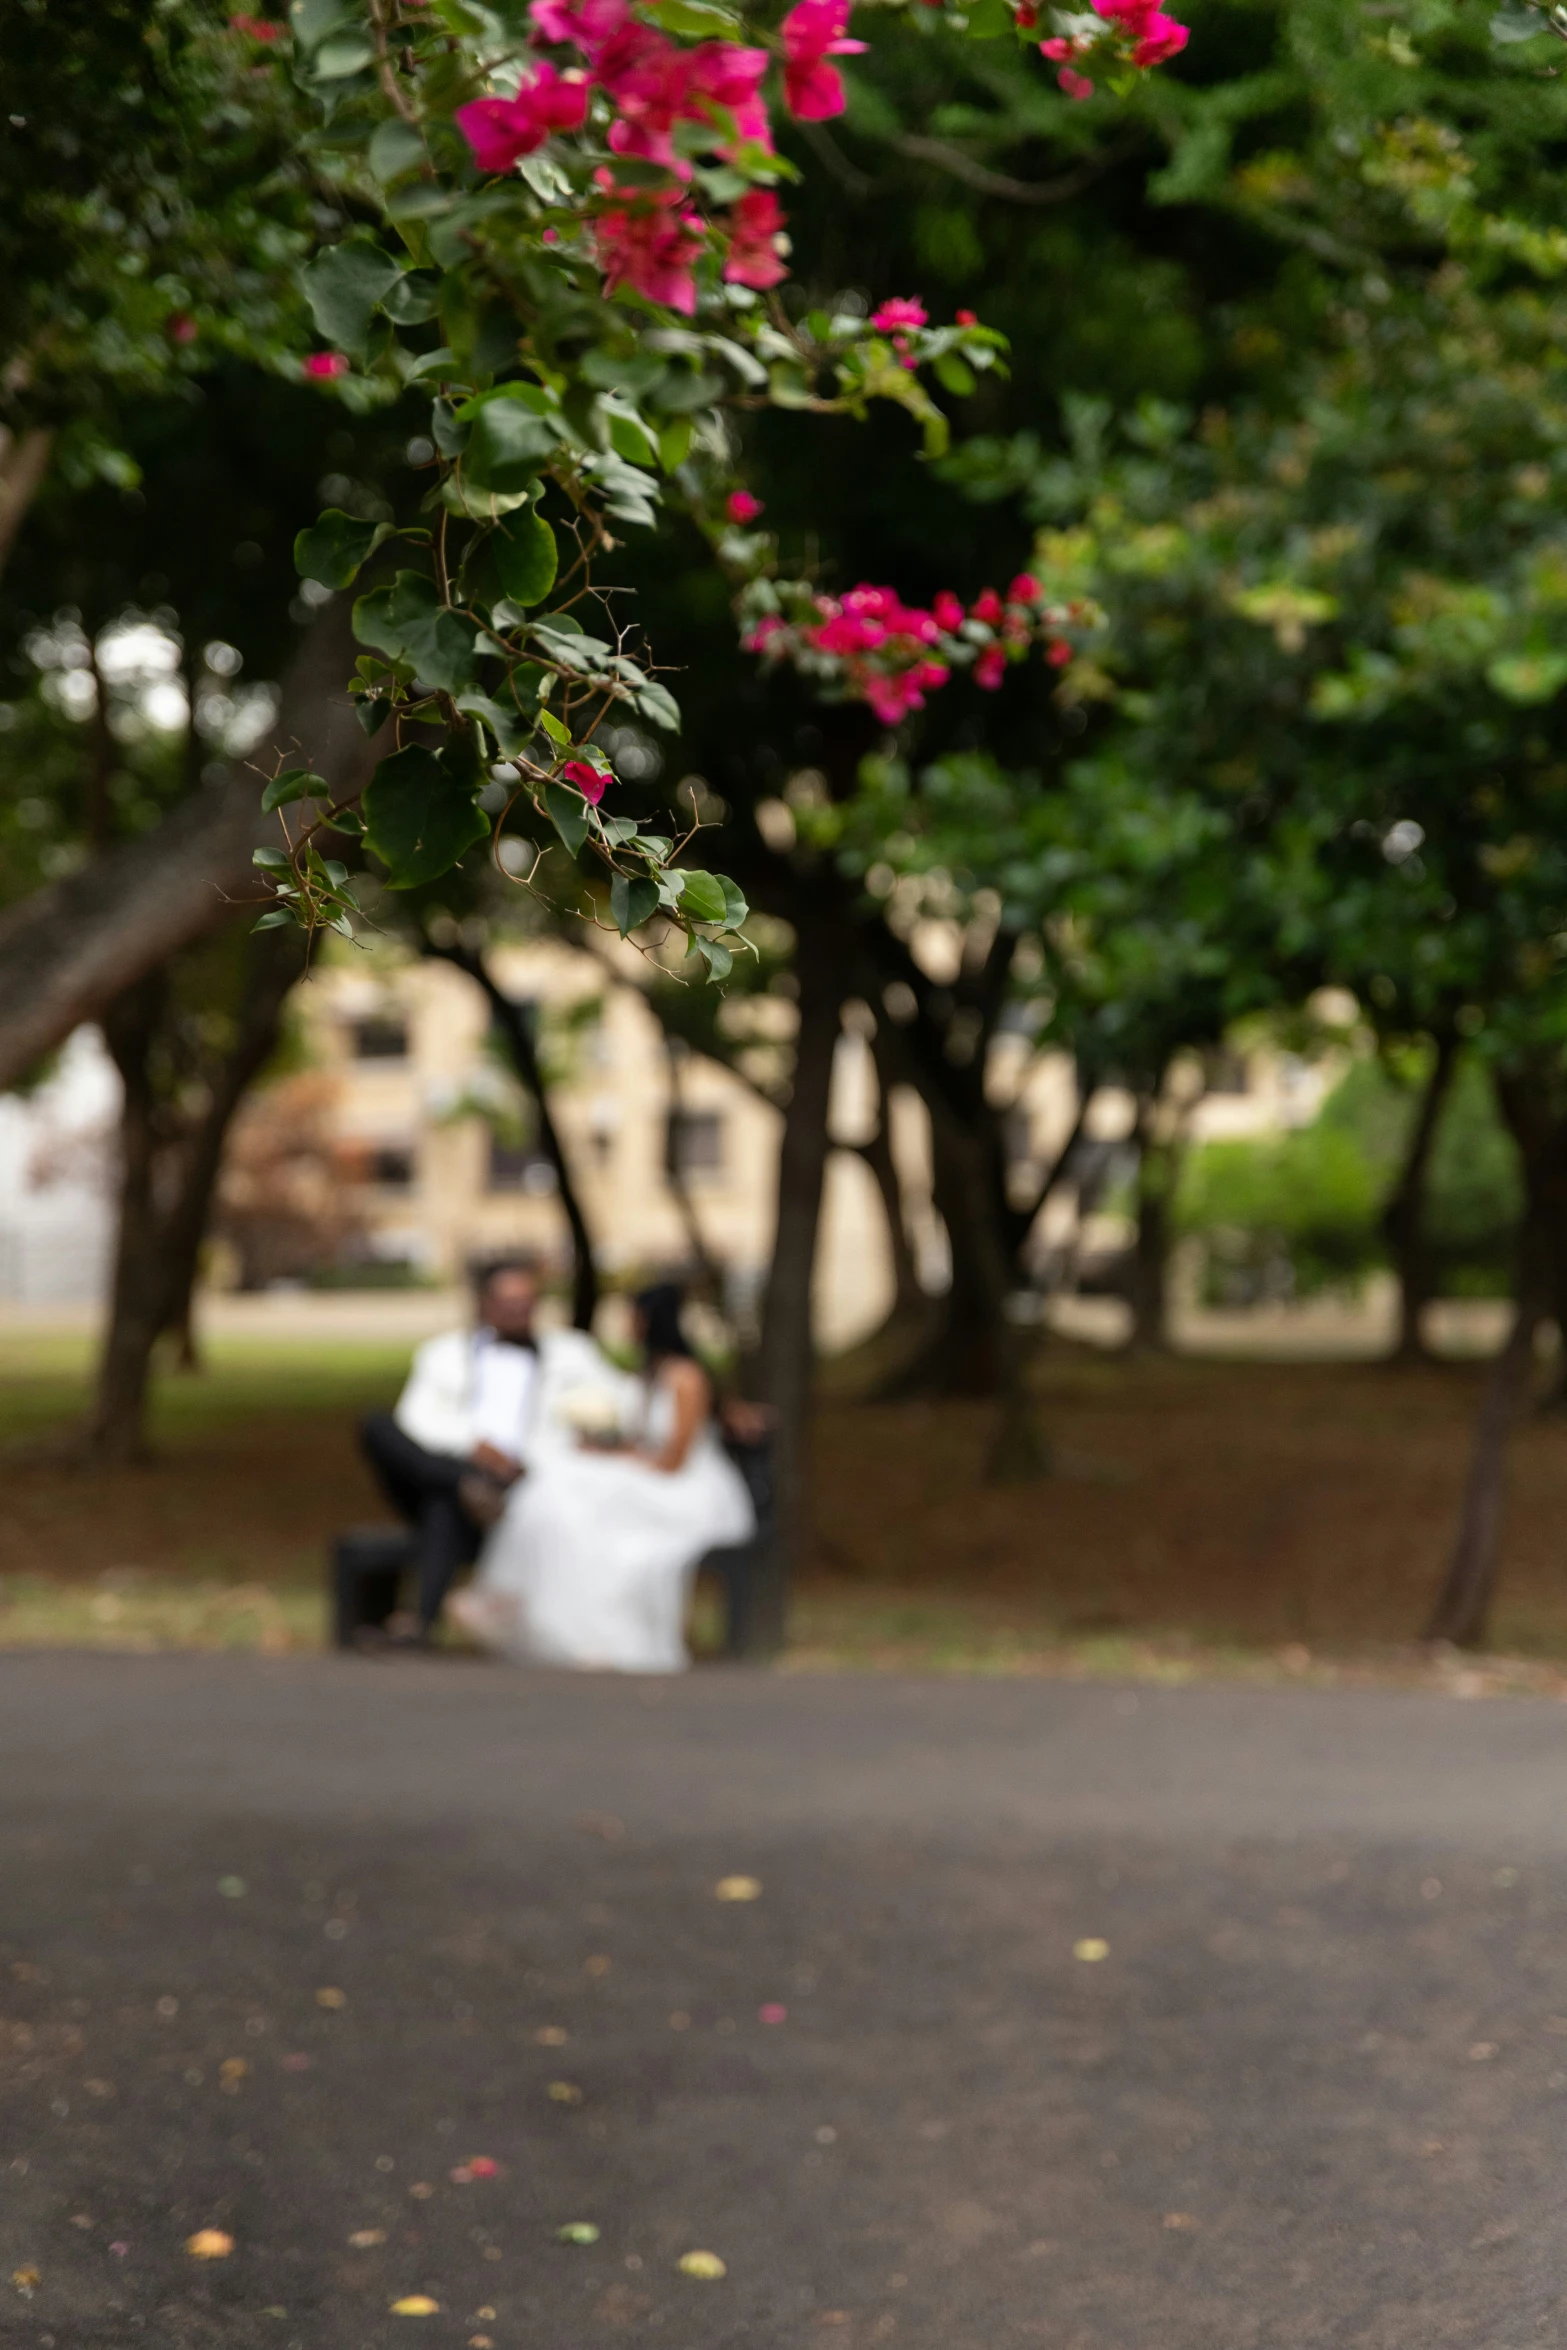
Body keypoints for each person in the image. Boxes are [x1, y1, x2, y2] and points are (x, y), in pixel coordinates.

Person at [452, 1282, 756, 1673]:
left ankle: (520, 1602)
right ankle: (533, 1609)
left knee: (580, 1493)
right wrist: (606, 1450)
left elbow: (674, 1460)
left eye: (632, 1317)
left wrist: (619, 1458)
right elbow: (642, 1440)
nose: (626, 1325)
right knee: (563, 1488)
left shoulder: (685, 1377)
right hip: (653, 1475)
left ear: (649, 1322)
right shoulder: (651, 1373)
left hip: (689, 1491)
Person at [358, 1257, 604, 1644]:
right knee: (378, 1426)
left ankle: (419, 1623)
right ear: (486, 1304)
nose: (519, 1311)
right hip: (454, 1464)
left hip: (521, 1481)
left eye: (527, 1302)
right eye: (508, 1302)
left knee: (444, 1502)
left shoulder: (572, 1355)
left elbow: (614, 1400)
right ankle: (463, 1483)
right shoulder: (442, 1354)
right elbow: (416, 1419)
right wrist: (475, 1448)